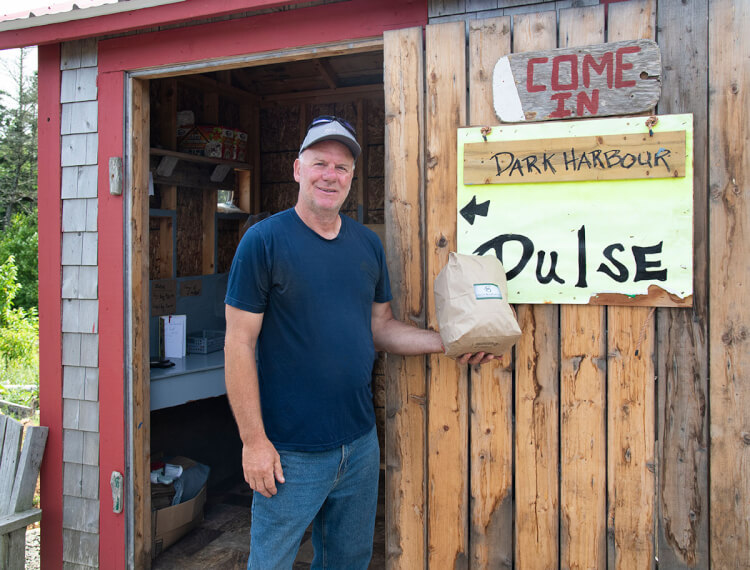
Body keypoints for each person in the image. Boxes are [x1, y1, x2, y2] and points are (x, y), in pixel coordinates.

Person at [224, 115, 494, 569]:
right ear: (297, 169)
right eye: (320, 163)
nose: (331, 175)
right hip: (289, 451)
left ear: (352, 178)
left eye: (342, 167)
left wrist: (447, 341)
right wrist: (254, 442)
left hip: (359, 445)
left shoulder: (366, 245)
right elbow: (238, 345)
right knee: (270, 562)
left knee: (347, 561)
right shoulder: (263, 242)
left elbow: (380, 326)